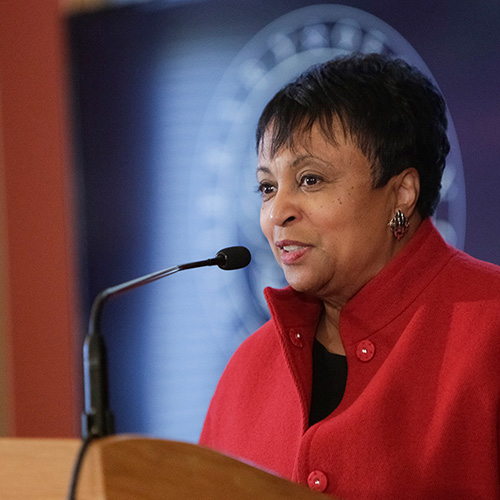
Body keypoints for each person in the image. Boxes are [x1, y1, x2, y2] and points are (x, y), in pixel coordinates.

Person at [199, 53, 500, 499]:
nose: (277, 212)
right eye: (267, 187)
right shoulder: (248, 371)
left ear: (401, 193)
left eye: (311, 180)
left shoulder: (490, 326)